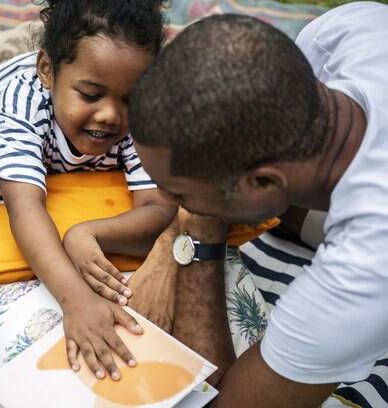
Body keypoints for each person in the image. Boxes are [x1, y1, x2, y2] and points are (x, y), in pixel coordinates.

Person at [128, 2, 388, 406]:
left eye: (180, 195)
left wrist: (195, 234)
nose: (169, 206)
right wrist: (168, 245)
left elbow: (223, 401)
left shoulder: (362, 269)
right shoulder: (350, 29)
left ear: (263, 180)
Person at [0, 0, 176, 381]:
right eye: (90, 96)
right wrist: (76, 299)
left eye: (129, 100)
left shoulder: (138, 110)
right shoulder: (19, 108)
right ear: (46, 70)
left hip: (70, 60)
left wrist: (87, 233)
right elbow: (24, 208)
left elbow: (159, 209)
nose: (109, 115)